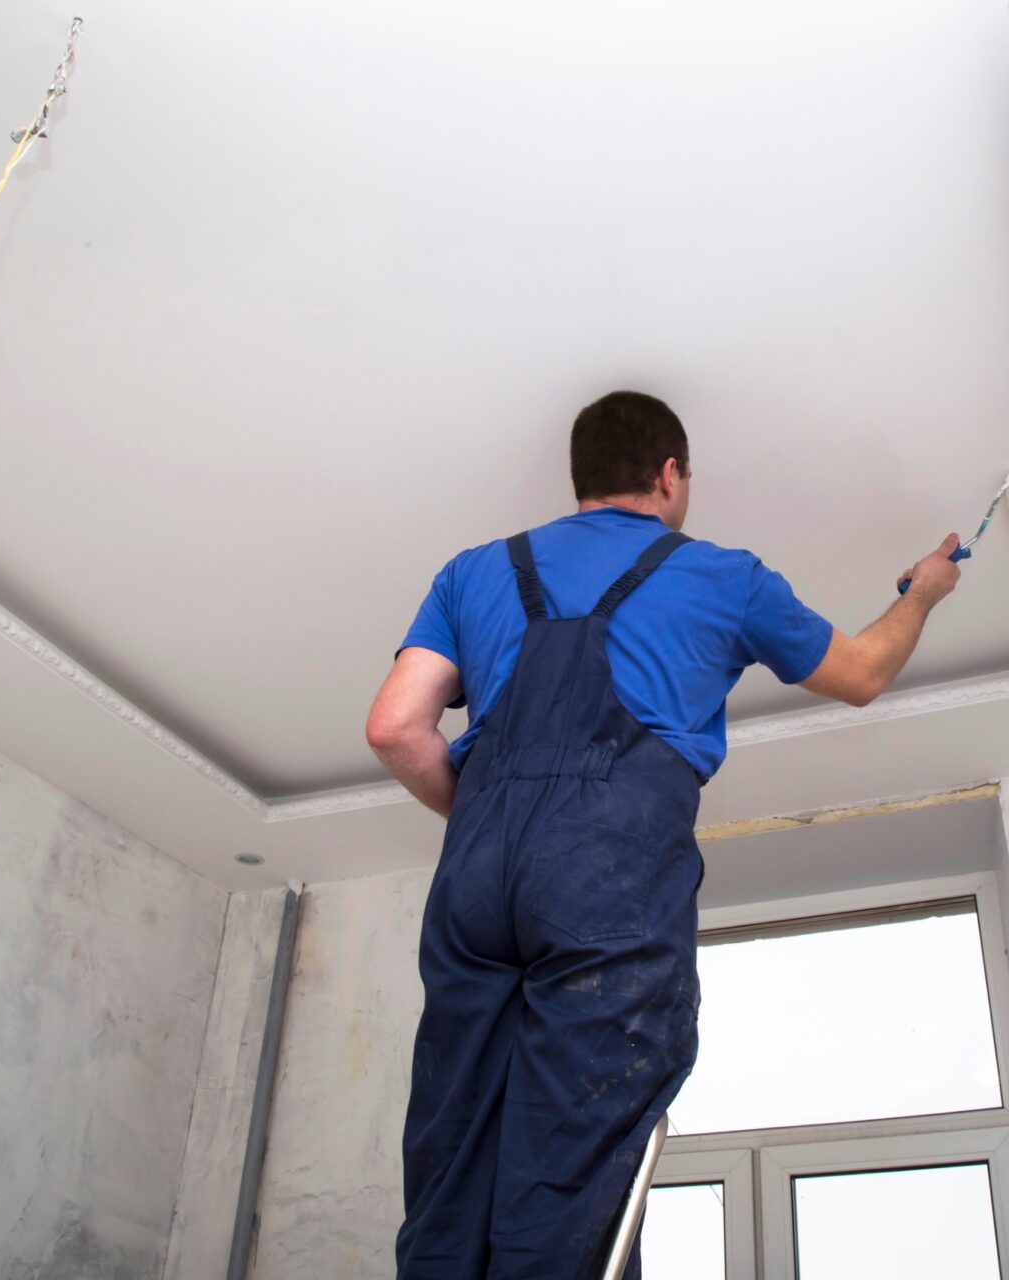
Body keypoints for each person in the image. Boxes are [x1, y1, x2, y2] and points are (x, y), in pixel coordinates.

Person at [366, 391, 963, 1278]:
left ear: (583, 479)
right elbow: (865, 672)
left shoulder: (472, 571)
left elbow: (396, 728)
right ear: (670, 473)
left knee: (455, 1152)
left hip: (474, 883)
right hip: (605, 881)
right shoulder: (723, 575)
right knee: (571, 1169)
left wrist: (491, 823)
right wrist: (923, 594)